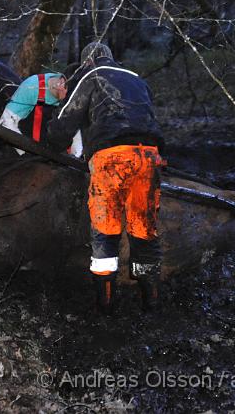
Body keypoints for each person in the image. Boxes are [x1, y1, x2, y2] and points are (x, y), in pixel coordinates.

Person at [45, 42, 165, 313]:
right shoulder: (136, 79)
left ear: (87, 61)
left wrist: (51, 141)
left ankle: (106, 304)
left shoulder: (90, 75)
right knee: (144, 229)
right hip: (149, 155)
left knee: (106, 230)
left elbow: (66, 119)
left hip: (112, 156)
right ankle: (151, 300)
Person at [0, 72, 83, 157]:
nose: (72, 99)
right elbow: (6, 121)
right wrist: (24, 152)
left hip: (59, 150)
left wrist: (76, 156)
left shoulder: (77, 97)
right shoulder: (31, 87)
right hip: (28, 145)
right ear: (60, 83)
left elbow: (79, 126)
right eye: (69, 94)